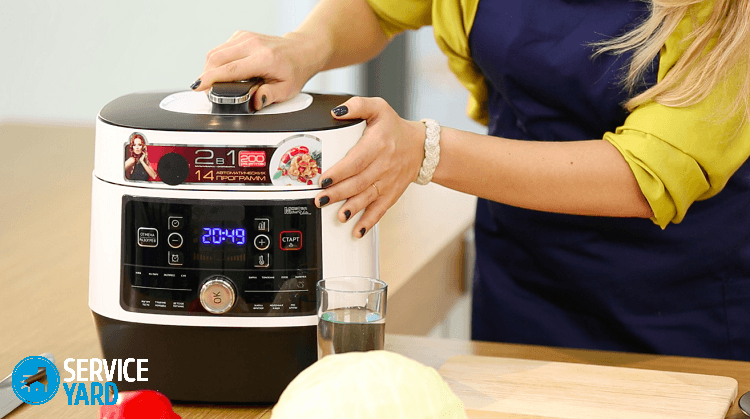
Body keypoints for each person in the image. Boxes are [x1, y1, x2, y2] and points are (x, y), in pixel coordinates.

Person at [192, 0, 750, 361]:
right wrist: (304, 47)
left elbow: (645, 174)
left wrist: (426, 151)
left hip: (683, 299)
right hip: (523, 269)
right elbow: (378, 8)